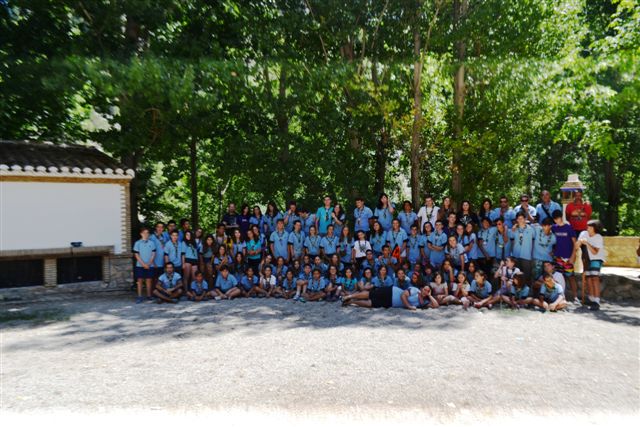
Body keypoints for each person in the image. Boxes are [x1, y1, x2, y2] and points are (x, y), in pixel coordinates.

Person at [342, 277, 438, 310]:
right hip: (391, 292)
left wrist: (430, 296)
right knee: (370, 294)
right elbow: (403, 295)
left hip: (391, 303)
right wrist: (409, 306)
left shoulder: (423, 302)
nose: (425, 291)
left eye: (428, 291)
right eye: (425, 289)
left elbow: (436, 306)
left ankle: (351, 302)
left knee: (371, 304)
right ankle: (349, 296)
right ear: (421, 289)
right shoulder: (415, 290)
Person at [551, 210, 579, 303]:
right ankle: (560, 297)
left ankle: (575, 297)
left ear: (561, 217)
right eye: (555, 219)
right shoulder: (554, 228)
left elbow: (575, 243)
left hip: (568, 258)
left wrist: (573, 256)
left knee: (571, 277)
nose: (556, 220)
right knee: (558, 277)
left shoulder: (569, 228)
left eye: (558, 218)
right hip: (558, 258)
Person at [578, 220, 605, 311]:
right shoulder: (583, 234)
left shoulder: (598, 237)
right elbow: (577, 246)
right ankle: (591, 299)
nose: (588, 228)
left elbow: (595, 252)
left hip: (596, 259)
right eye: (588, 226)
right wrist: (580, 242)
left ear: (595, 228)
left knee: (595, 278)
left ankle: (597, 301)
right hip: (586, 259)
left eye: (590, 226)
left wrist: (587, 243)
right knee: (588, 279)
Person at [509, 212, 535, 286]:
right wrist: (513, 229)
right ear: (516, 220)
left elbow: (533, 240)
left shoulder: (531, 229)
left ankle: (527, 290)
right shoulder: (514, 229)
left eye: (522, 218)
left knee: (527, 275)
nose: (520, 220)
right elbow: (511, 238)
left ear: (525, 219)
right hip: (516, 255)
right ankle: (517, 290)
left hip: (526, 255)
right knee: (517, 275)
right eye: (518, 218)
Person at [133, 227, 156, 304]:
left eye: (147, 233)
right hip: (140, 265)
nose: (146, 234)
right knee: (139, 281)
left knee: (149, 280)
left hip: (150, 265)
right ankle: (139, 296)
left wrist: (149, 263)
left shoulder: (152, 243)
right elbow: (136, 255)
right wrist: (143, 264)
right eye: (144, 233)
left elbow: (153, 254)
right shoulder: (137, 243)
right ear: (141, 234)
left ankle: (149, 295)